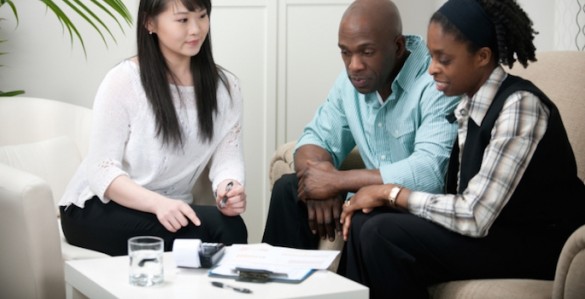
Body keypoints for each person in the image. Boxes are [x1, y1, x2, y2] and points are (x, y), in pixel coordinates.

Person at [340, 0, 585, 298]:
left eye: (444, 59)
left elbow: (475, 214)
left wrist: (391, 193)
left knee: (382, 234)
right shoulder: (468, 107)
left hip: (539, 245)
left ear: (482, 57)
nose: (431, 70)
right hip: (493, 234)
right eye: (431, 57)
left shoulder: (521, 107)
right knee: (367, 222)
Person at [261, 0, 459, 249]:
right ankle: (277, 285)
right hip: (369, 197)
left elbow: (429, 173)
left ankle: (341, 288)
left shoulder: (436, 81)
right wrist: (321, 185)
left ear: (397, 46)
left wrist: (337, 181)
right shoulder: (350, 83)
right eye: (345, 52)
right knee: (288, 189)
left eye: (367, 52)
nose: (354, 65)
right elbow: (314, 139)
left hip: (414, 206)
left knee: (369, 218)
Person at [59, 0, 248, 256]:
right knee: (209, 232)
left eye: (202, 16)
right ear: (150, 23)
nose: (196, 29)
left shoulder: (225, 87)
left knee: (230, 224)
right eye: (182, 20)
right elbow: (100, 169)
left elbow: (227, 160)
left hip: (170, 206)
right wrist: (158, 204)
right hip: (98, 207)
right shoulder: (124, 80)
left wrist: (229, 189)